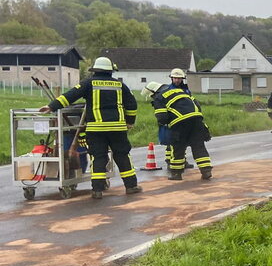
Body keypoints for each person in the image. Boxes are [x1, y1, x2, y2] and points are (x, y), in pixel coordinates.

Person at [39, 56, 142, 199]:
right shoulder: (120, 85)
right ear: (111, 71)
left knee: (98, 157)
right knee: (122, 155)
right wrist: (130, 121)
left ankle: (97, 190)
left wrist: (51, 106)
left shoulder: (88, 83)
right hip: (117, 128)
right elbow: (132, 105)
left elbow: (70, 95)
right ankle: (131, 186)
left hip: (96, 129)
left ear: (95, 70)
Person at [141, 81, 213, 180]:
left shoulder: (159, 98)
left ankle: (176, 173)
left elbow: (162, 117)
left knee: (178, 147)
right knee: (198, 146)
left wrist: (165, 125)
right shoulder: (181, 91)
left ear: (154, 92)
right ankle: (206, 170)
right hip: (197, 120)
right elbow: (197, 105)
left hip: (180, 123)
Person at [160, 68, 195, 170]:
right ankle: (170, 161)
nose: (177, 80)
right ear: (171, 78)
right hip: (172, 119)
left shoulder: (186, 90)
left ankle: (182, 160)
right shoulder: (168, 90)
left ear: (182, 79)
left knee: (182, 142)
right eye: (175, 78)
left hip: (184, 120)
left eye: (179, 78)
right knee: (171, 141)